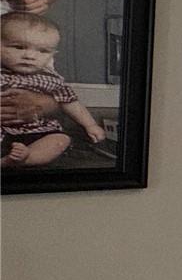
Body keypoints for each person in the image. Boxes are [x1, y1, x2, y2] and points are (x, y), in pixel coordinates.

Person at [1, 12, 104, 165]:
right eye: (19, 47)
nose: (30, 55)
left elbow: (70, 102)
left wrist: (90, 125)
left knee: (60, 139)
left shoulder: (51, 79)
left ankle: (25, 158)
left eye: (43, 51)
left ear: (52, 55)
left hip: (38, 131)